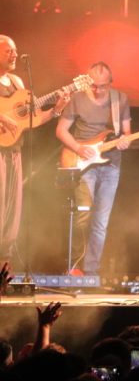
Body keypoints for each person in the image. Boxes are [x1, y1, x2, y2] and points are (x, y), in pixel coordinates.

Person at [56, 61, 131, 276]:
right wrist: (79, 148)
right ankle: (75, 267)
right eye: (93, 85)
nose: (97, 90)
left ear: (111, 83)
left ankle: (91, 272)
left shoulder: (120, 100)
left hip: (111, 165)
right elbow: (61, 131)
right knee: (83, 215)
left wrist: (126, 142)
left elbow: (126, 133)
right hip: (83, 164)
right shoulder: (77, 99)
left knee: (101, 222)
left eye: (102, 86)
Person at [0, 35, 69, 263]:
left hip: (14, 152)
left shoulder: (18, 83)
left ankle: (3, 270)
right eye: (8, 50)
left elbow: (31, 120)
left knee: (11, 213)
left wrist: (55, 110)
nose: (14, 55)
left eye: (15, 50)